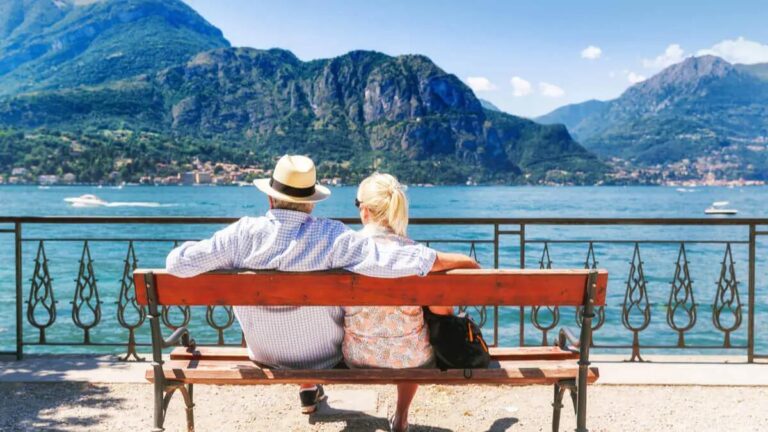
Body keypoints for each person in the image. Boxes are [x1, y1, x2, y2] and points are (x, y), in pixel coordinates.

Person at [165, 155, 479, 415]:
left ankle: (308, 392)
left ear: (270, 196)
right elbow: (390, 261)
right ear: (312, 203)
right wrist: (450, 259)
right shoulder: (331, 236)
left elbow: (176, 264)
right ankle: (312, 385)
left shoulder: (241, 234)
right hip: (323, 359)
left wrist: (222, 252)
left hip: (261, 353)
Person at [343, 173, 456, 432]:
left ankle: (309, 391)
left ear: (365, 210)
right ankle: (402, 417)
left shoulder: (345, 250)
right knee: (415, 332)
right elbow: (447, 308)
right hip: (412, 360)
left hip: (357, 357)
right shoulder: (417, 255)